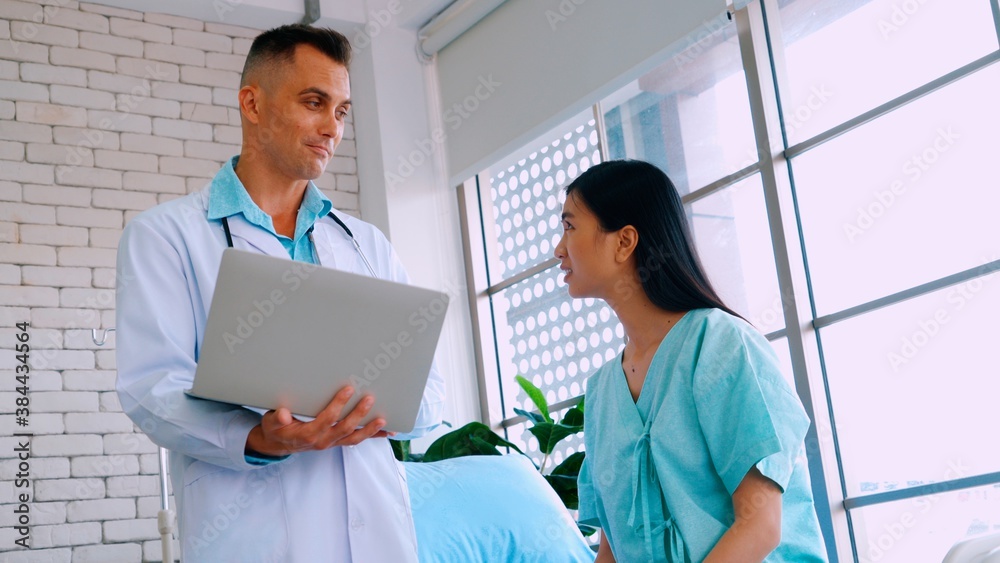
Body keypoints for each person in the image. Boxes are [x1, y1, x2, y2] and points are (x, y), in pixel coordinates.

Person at [115, 24, 445, 562]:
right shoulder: (165, 237)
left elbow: (431, 390)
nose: (331, 128)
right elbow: (151, 388)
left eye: (341, 111)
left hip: (377, 536)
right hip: (250, 536)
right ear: (252, 103)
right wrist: (262, 439)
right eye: (314, 102)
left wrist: (388, 412)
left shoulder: (365, 244)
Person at [557, 160, 827, 562]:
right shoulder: (601, 393)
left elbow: (761, 525)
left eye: (570, 226)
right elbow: (614, 547)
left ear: (624, 241)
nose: (559, 249)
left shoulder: (721, 346)